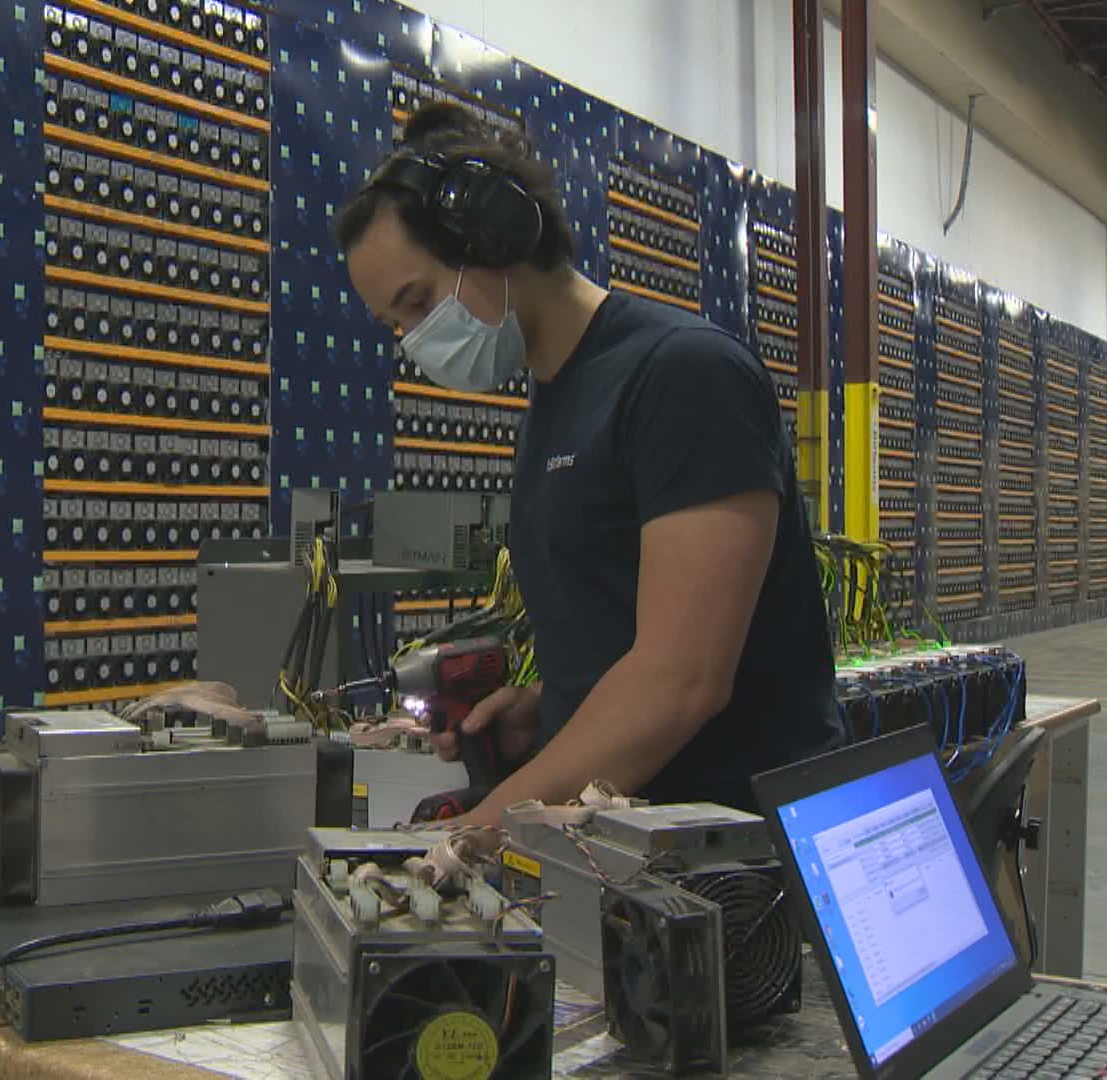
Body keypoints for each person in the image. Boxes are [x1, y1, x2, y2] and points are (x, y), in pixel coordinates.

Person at [333, 102, 843, 826]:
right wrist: (547, 714)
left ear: (495, 235)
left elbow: (682, 681)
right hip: (622, 851)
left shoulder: (682, 376)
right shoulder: (554, 405)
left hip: (745, 860)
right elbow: (627, 642)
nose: (416, 340)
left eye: (418, 303)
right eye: (397, 325)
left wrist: (481, 829)